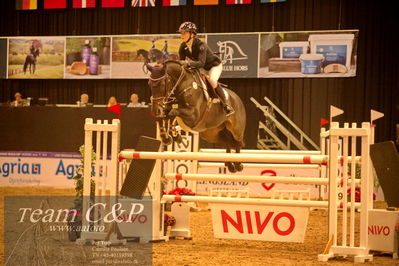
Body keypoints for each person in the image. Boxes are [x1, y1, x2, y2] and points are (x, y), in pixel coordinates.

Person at [177, 21, 234, 116]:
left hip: (213, 66)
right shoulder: (183, 46)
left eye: (184, 33)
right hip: (200, 67)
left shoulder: (201, 45)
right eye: (181, 33)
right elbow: (181, 62)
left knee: (211, 79)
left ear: (192, 34)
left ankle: (226, 105)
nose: (181, 35)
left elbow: (201, 63)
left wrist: (187, 64)